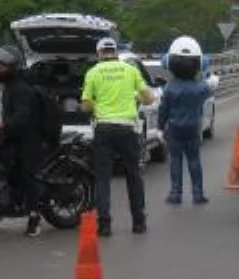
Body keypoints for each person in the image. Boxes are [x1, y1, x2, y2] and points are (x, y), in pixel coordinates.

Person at [82, 37, 154, 237]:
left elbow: (86, 105)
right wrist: (135, 98)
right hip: (128, 129)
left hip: (103, 129)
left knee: (103, 177)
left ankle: (104, 224)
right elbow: (149, 98)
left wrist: (98, 107)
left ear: (99, 53)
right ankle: (138, 222)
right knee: (134, 175)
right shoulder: (130, 70)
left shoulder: (93, 72)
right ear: (115, 51)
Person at [0, 46, 44, 238]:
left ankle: (34, 218)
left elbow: (22, 117)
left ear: (11, 66)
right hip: (13, 137)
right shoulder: (10, 87)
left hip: (28, 140)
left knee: (28, 176)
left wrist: (2, 125)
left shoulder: (21, 89)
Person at [158, 36, 212, 206]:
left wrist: (160, 125)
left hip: (174, 129)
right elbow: (209, 88)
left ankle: (175, 193)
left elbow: (163, 110)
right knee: (194, 161)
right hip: (193, 128)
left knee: (175, 161)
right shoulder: (201, 88)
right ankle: (198, 194)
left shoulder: (169, 88)